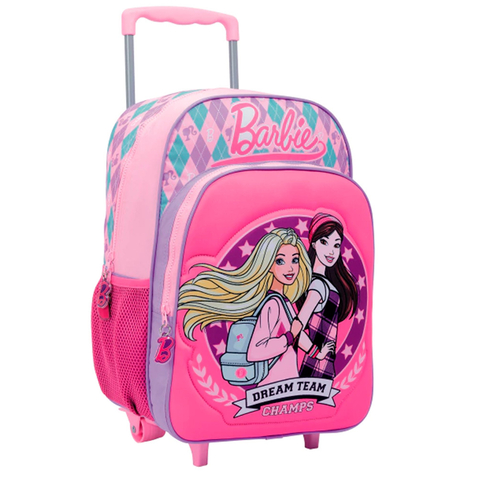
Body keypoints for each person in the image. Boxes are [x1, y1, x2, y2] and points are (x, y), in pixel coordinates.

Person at [178, 228, 311, 386]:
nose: (290, 268)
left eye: (295, 260)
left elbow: (297, 335)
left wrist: (318, 352)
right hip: (273, 385)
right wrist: (289, 336)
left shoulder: (284, 302)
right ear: (268, 264)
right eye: (280, 261)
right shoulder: (272, 304)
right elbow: (255, 352)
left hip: (288, 381)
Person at [292, 213, 358, 379]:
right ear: (313, 243)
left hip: (322, 366)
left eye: (336, 245)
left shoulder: (323, 282)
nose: (331, 251)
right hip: (317, 368)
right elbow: (295, 329)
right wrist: (316, 352)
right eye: (324, 242)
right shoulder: (318, 285)